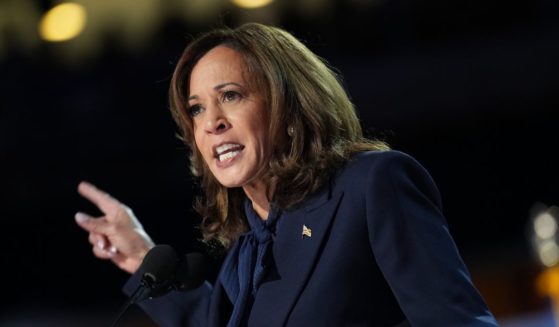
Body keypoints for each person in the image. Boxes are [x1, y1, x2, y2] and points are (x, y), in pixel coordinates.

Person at [75, 23, 499, 326]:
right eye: (197, 108)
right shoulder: (248, 246)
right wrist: (139, 257)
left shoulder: (371, 185)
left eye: (231, 96)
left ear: (289, 109)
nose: (210, 123)